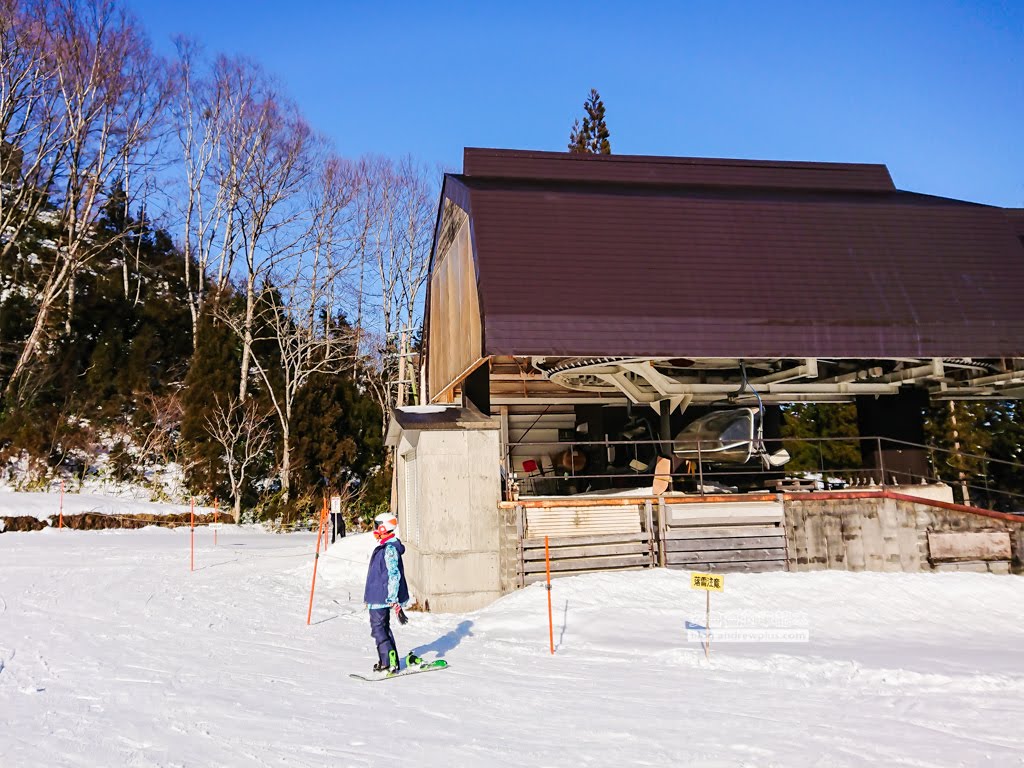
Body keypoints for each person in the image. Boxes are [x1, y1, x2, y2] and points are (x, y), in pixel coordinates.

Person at [363, 512, 422, 674]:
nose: (375, 529)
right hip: (379, 594)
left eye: (377, 526)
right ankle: (390, 659)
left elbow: (394, 575)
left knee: (378, 628)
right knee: (383, 627)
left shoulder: (389, 549)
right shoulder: (386, 546)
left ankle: (387, 663)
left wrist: (392, 597)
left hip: (381, 596)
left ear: (383, 527)